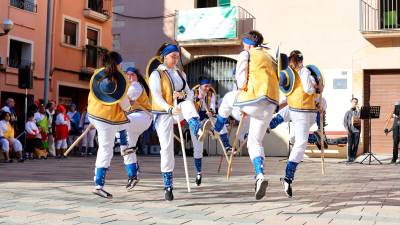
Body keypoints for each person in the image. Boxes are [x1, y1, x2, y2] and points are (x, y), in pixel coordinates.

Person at [210, 30, 279, 200]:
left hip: (253, 99)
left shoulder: (245, 53)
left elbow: (241, 82)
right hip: (270, 105)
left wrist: (242, 101)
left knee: (227, 99)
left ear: (248, 43)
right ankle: (260, 175)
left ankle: (217, 129)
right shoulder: (270, 57)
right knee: (255, 142)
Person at [149, 43, 211, 201]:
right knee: (167, 149)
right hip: (163, 113)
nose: (176, 59)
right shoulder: (156, 74)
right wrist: (169, 108)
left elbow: (190, 94)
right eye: (173, 56)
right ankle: (168, 185)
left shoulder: (180, 74)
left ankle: (197, 130)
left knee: (188, 104)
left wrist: (181, 94)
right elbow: (157, 96)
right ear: (164, 57)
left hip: (179, 109)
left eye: (177, 56)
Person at [87, 51, 135, 198]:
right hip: (106, 119)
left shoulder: (97, 73)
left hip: (93, 113)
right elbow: (124, 104)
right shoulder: (119, 79)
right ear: (118, 64)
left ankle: (123, 145)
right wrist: (129, 106)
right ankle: (99, 185)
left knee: (119, 128)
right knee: (106, 149)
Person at [279, 50, 322, 198]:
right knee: (299, 144)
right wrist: (317, 88)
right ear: (301, 60)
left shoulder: (289, 73)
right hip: (303, 112)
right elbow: (309, 89)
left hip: (295, 109)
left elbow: (286, 92)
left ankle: (264, 126)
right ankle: (287, 178)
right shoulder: (304, 72)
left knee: (284, 121)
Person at [191, 78, 232, 186]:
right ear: (200, 86)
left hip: (207, 118)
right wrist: (198, 98)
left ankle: (226, 145)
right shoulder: (193, 92)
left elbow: (213, 107)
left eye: (209, 86)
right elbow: (189, 104)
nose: (207, 88)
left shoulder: (211, 95)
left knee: (219, 121)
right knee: (198, 149)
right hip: (195, 120)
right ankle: (199, 173)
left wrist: (211, 112)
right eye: (205, 86)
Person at [121, 66, 153, 190]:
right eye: (127, 75)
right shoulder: (128, 87)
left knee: (119, 124)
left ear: (136, 76)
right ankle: (132, 175)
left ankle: (134, 165)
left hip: (142, 116)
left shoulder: (136, 86)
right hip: (134, 120)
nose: (129, 77)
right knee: (127, 148)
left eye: (132, 75)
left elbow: (123, 102)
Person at [343, 98, 361, 163]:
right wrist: (347, 129)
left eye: (356, 102)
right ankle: (350, 157)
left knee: (356, 145)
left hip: (357, 130)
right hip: (350, 130)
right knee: (350, 145)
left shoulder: (358, 111)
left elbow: (360, 118)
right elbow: (345, 122)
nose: (355, 103)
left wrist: (358, 110)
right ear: (351, 102)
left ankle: (353, 157)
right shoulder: (348, 112)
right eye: (354, 102)